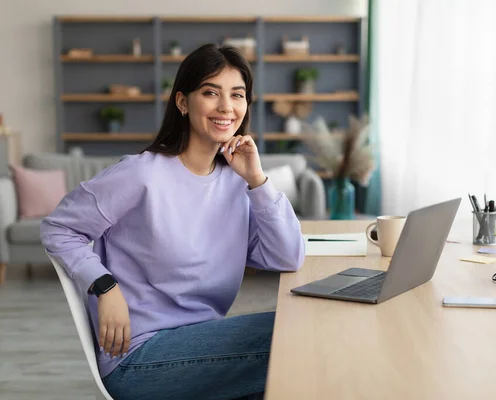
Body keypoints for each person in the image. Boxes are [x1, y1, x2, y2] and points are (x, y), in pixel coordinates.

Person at [40, 44, 305, 400]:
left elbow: (287, 257)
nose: (226, 107)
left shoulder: (239, 184)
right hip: (140, 357)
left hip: (202, 349)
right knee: (301, 333)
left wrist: (258, 181)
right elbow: (58, 227)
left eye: (237, 95)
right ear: (182, 102)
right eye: (211, 93)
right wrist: (105, 285)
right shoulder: (142, 174)